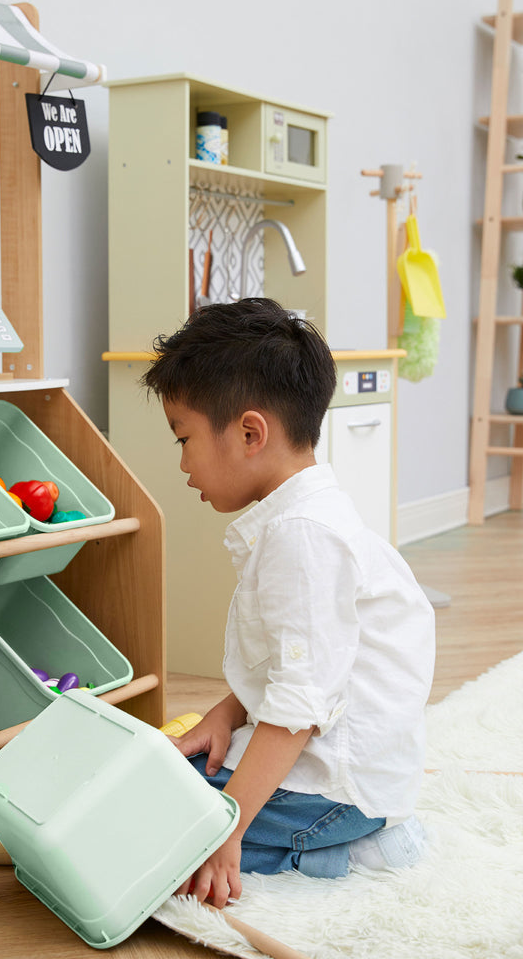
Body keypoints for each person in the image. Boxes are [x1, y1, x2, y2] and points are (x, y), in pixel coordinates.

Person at [142, 298, 435, 909]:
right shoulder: (303, 520)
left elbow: (299, 705)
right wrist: (226, 712)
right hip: (330, 767)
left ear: (250, 433)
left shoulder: (303, 538)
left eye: (184, 438)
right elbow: (298, 663)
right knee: (156, 781)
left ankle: (347, 849)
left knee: (154, 838)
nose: (183, 463)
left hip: (335, 796)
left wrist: (227, 827)